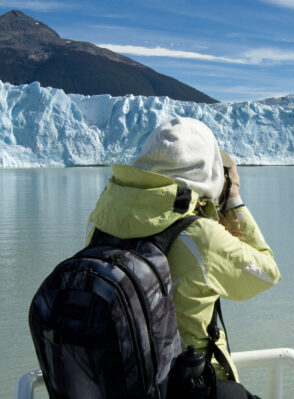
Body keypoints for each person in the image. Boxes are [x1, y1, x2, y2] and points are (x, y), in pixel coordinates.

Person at [85, 116, 281, 396]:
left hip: (118, 384)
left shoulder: (100, 222)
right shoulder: (199, 235)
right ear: (207, 169)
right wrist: (233, 198)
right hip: (188, 386)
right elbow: (267, 272)